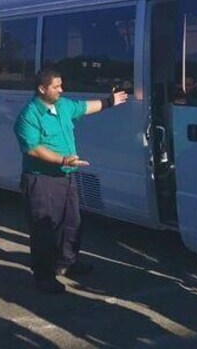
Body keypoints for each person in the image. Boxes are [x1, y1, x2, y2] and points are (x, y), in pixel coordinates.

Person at [14, 68, 127, 294]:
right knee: (44, 227)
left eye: (61, 85)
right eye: (56, 87)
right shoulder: (29, 115)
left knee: (71, 222)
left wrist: (110, 102)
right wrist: (63, 159)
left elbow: (85, 107)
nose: (61, 90)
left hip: (66, 176)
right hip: (42, 180)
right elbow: (34, 149)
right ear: (42, 89)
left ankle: (67, 262)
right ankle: (44, 276)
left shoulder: (63, 106)